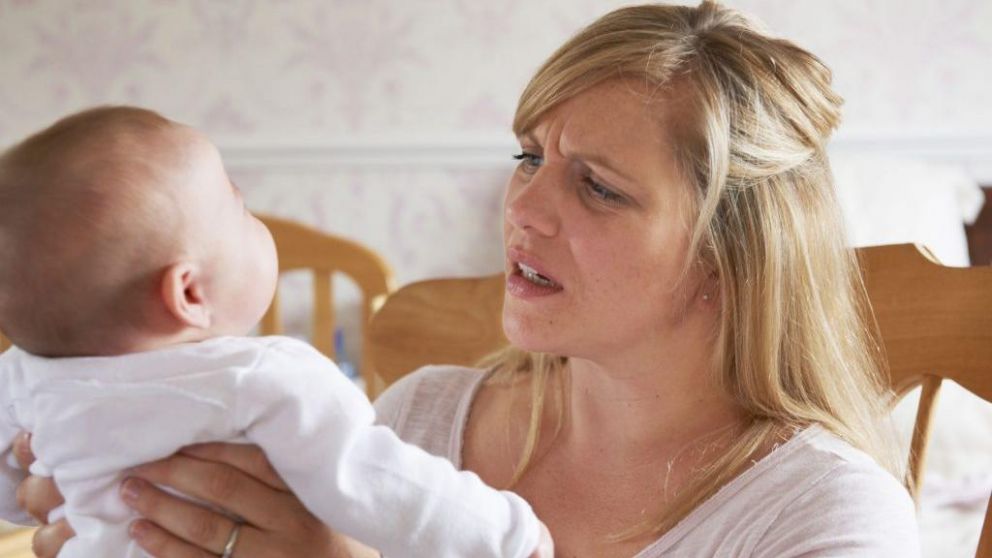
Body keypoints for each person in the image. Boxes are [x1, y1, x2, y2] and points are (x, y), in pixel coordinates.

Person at [16, 1, 920, 557]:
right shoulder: (418, 420)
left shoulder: (824, 519)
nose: (523, 205)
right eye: (529, 156)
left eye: (598, 187)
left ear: (731, 254)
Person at [0, 107, 553, 558]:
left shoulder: (23, 374)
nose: (256, 222)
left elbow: (16, 491)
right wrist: (507, 536)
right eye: (239, 207)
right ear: (189, 294)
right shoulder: (261, 379)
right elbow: (372, 479)